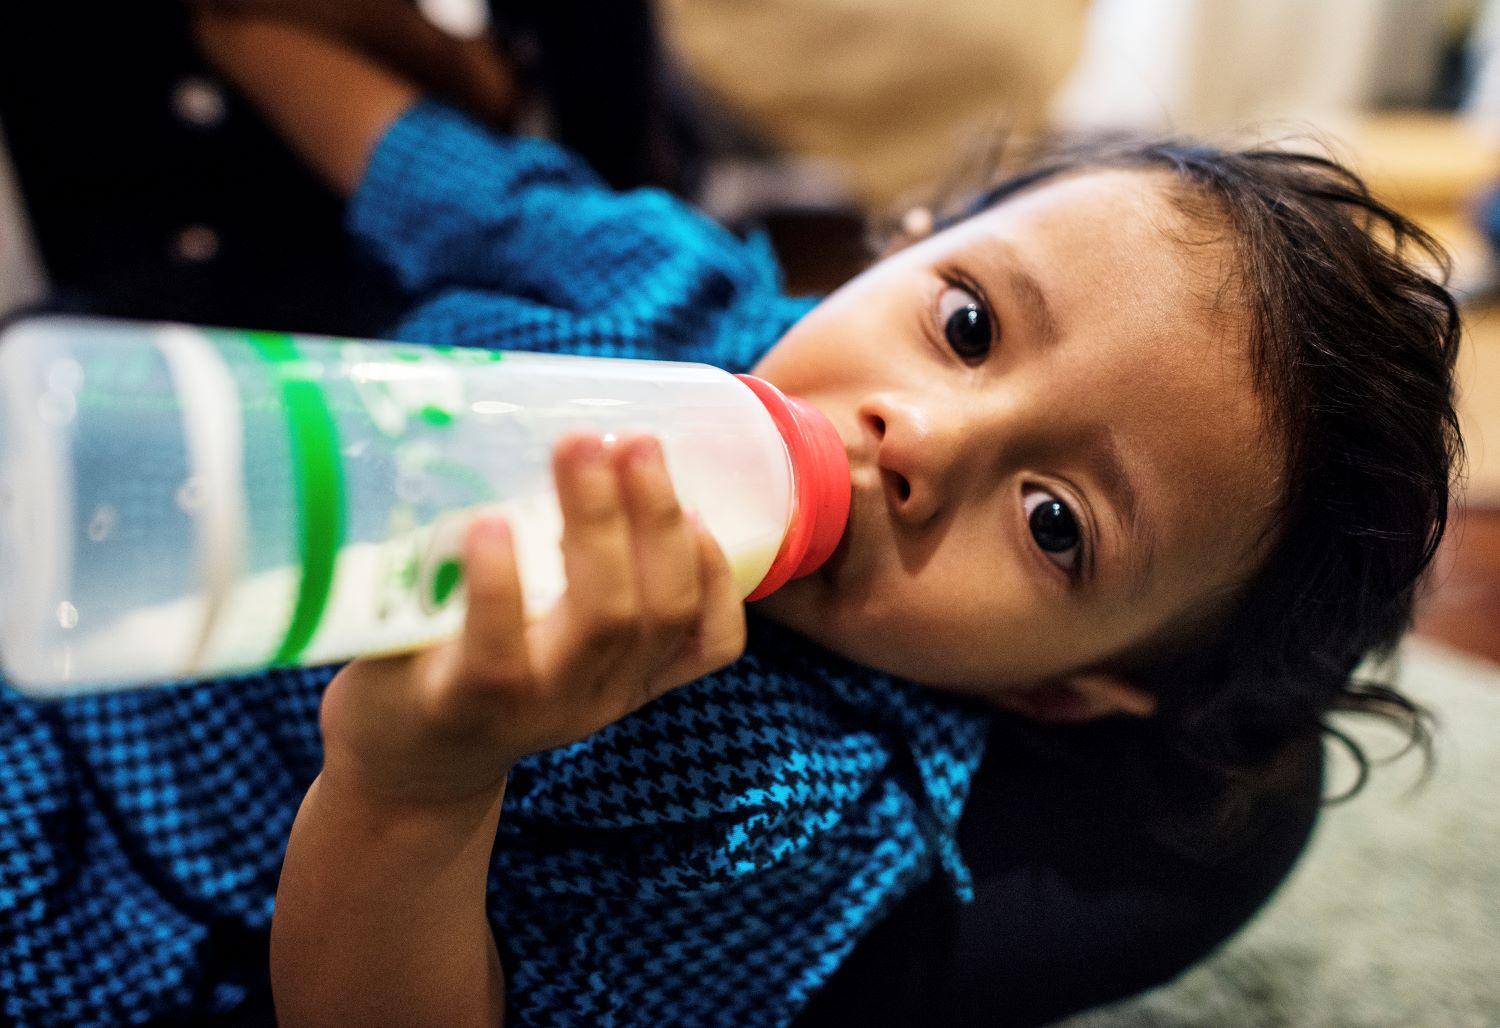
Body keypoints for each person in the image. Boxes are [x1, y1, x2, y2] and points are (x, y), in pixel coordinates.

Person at [0, 10, 1459, 1027]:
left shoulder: (806, 820)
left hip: (118, 897)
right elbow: (431, 171)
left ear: (1060, 692)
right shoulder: (660, 283)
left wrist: (418, 790)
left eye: (1055, 525)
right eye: (965, 324)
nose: (922, 440)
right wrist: (252, 26)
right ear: (902, 242)